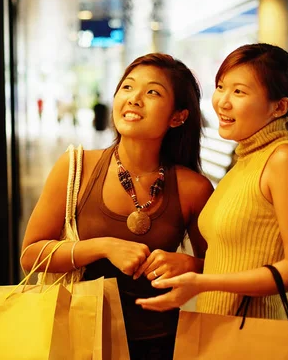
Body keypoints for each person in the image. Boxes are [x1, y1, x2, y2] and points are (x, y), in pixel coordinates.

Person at [21, 53, 214, 359]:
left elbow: (219, 269)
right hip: (82, 338)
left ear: (178, 116)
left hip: (161, 342)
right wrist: (103, 246)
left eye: (152, 92)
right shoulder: (76, 167)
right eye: (127, 87)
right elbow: (31, 255)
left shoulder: (193, 188)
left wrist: (191, 265)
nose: (134, 99)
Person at [136, 43, 288, 318]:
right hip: (218, 326)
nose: (222, 101)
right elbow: (241, 260)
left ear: (279, 107)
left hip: (253, 331)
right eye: (221, 87)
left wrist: (202, 282)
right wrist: (194, 265)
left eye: (239, 92)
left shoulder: (285, 159)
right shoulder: (246, 158)